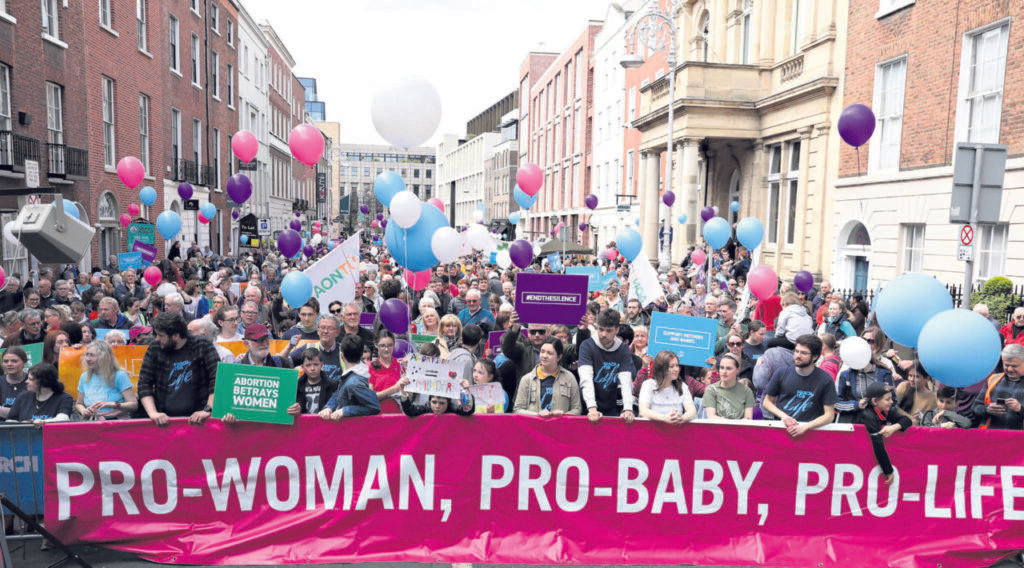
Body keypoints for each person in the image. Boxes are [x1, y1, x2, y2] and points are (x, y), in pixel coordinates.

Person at [137, 313, 220, 426]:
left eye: (161, 335)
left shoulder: (202, 344)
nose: (157, 338)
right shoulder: (155, 348)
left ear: (176, 335)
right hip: (164, 420)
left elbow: (217, 378)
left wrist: (208, 409)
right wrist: (153, 413)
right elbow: (144, 383)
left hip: (198, 420)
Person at [762, 334, 837, 437]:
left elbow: (829, 415)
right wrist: (784, 417)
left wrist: (805, 427)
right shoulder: (782, 373)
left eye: (804, 353)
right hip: (782, 430)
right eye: (796, 351)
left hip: (811, 434)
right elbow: (767, 402)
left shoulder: (825, 379)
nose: (798, 355)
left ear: (815, 357)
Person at [578, 309, 636, 423]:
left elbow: (626, 381)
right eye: (601, 329)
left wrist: (628, 408)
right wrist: (592, 408)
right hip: (588, 407)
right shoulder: (587, 346)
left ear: (617, 330)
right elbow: (586, 379)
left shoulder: (623, 349)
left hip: (612, 406)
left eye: (609, 330)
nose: (604, 334)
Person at [855, 382, 912, 487]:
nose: (891, 402)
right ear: (874, 401)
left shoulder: (885, 409)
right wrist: (888, 471)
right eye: (887, 399)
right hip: (859, 457)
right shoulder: (868, 415)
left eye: (891, 398)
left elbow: (907, 420)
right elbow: (878, 445)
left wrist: (893, 427)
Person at [317, 335, 382, 420]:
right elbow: (339, 392)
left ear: (341, 356)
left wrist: (345, 410)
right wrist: (329, 407)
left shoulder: (354, 383)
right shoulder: (350, 376)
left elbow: (374, 407)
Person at [513, 337, 581, 416]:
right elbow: (517, 409)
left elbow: (577, 409)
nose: (544, 356)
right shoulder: (527, 379)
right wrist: (537, 415)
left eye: (550, 353)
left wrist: (563, 415)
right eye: (542, 352)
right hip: (534, 426)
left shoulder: (569, 378)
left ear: (559, 357)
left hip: (560, 426)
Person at [74, 340, 137, 420]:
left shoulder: (120, 375)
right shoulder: (84, 376)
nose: (87, 359)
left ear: (104, 357)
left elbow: (133, 405)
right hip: (93, 422)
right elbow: (79, 403)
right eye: (86, 355)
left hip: (116, 423)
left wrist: (112, 405)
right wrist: (84, 411)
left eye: (92, 355)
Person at [637, 350, 698, 424]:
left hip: (677, 429)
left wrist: (682, 418)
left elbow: (692, 411)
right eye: (671, 366)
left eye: (677, 365)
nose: (676, 369)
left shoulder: (682, 386)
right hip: (653, 429)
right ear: (661, 368)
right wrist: (664, 418)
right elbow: (643, 411)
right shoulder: (648, 385)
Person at [973, 343, 1024, 430]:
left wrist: (1020, 409)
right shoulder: (993, 380)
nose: (1010, 369)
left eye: (1014, 366)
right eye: (1006, 365)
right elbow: (975, 407)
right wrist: (987, 409)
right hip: (993, 436)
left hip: (1019, 439)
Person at [6, 363, 74, 425]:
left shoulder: (64, 398)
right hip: (25, 437)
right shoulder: (22, 396)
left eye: (30, 379)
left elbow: (63, 419)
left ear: (44, 381)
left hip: (51, 437)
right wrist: (21, 425)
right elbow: (10, 420)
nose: (27, 381)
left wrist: (43, 422)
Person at [288, 315, 344, 381]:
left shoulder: (345, 350)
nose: (325, 331)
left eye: (330, 328)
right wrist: (289, 347)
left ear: (337, 332)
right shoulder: (307, 348)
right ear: (317, 330)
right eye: (322, 327)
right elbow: (282, 362)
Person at [287, 348, 339, 416]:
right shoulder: (297, 387)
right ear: (303, 367)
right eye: (308, 365)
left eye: (316, 364)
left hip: (323, 424)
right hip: (303, 424)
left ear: (321, 365)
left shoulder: (332, 385)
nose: (312, 368)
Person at [703, 354, 755, 419]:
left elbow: (748, 418)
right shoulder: (711, 389)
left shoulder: (747, 391)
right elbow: (711, 416)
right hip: (717, 428)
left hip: (739, 428)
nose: (724, 372)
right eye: (721, 368)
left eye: (728, 368)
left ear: (738, 370)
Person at [368, 330, 403, 414]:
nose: (386, 349)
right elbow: (370, 398)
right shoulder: (369, 367)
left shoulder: (401, 365)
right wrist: (394, 389)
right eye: (382, 346)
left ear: (394, 345)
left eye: (390, 345)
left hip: (399, 417)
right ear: (376, 345)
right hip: (377, 417)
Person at [0, 347, 29, 420]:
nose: (9, 364)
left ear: (24, 362)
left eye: (14, 361)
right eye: (6, 361)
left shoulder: (33, 381)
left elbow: (32, 412)